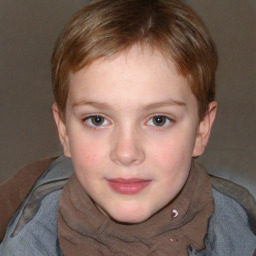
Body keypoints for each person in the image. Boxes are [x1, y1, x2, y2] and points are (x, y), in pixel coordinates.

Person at [0, 0, 255, 255]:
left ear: (201, 130)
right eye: (97, 120)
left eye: (158, 120)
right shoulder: (25, 229)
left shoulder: (244, 224)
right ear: (64, 131)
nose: (126, 152)